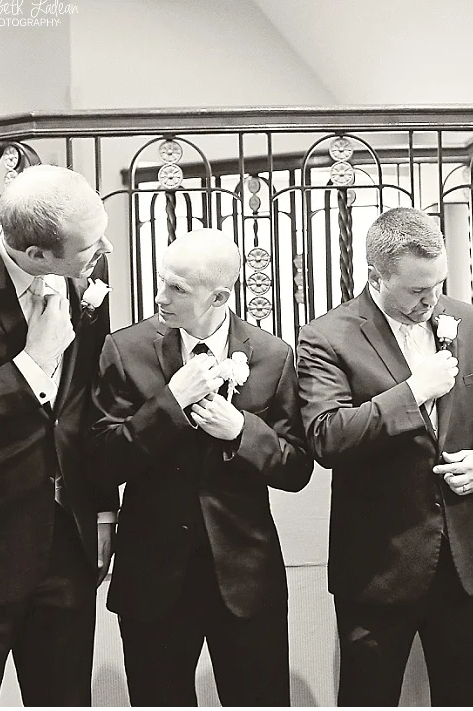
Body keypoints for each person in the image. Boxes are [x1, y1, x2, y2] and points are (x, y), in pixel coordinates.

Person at [297, 207, 473, 706]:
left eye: (438, 284)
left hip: (463, 561)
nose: (431, 301)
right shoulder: (327, 337)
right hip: (377, 566)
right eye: (417, 290)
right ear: (376, 277)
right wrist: (413, 392)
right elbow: (326, 436)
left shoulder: (471, 321)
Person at [87, 228, 311, 706]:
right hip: (153, 576)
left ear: (220, 297)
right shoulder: (125, 349)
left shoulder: (273, 355)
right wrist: (171, 403)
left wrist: (242, 432)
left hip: (246, 576)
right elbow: (101, 460)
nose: (160, 297)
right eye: (161, 281)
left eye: (177, 288)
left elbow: (296, 469)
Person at [0, 164, 116, 705]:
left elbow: (88, 403)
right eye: (91, 246)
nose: (105, 249)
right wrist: (31, 364)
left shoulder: (84, 270)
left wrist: (102, 511)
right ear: (37, 254)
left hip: (69, 544)